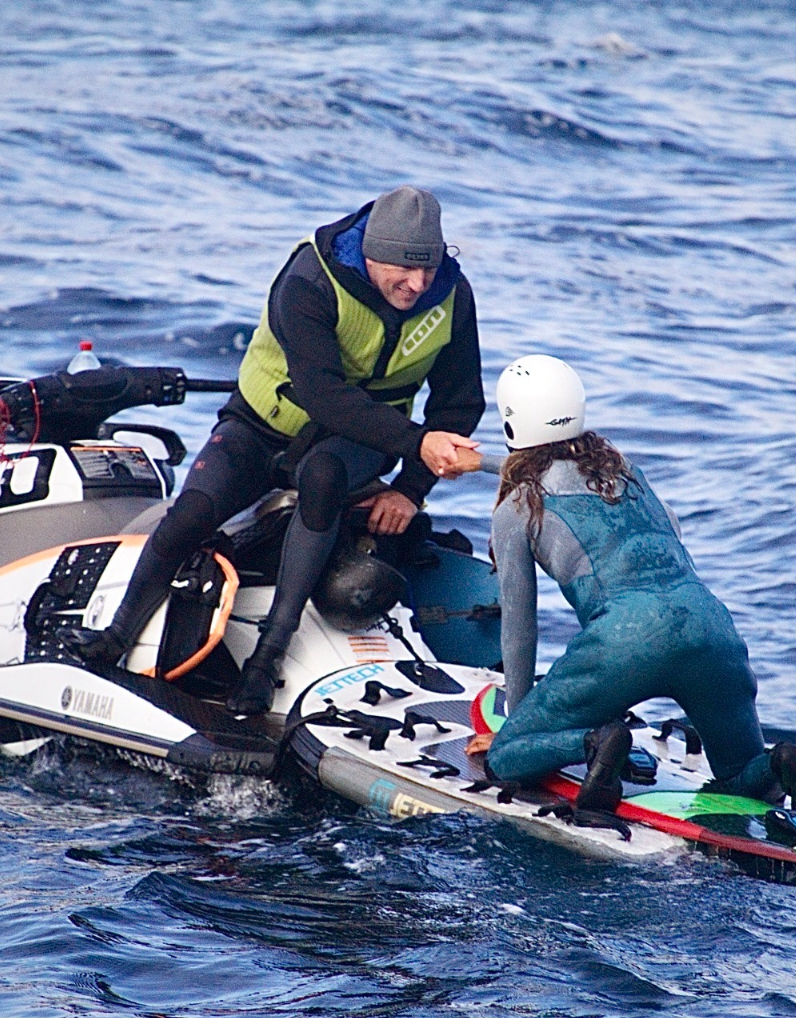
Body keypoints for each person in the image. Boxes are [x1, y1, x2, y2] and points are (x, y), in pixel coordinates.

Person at [63, 186, 484, 715]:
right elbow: (323, 394)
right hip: (264, 425)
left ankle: (267, 659)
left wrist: (409, 490)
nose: (418, 284)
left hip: (354, 441)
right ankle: (115, 633)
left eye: (429, 269)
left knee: (324, 477)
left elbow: (460, 404)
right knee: (192, 511)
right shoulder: (311, 279)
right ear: (372, 252)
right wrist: (417, 443)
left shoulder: (450, 297)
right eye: (403, 268)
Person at [476, 354, 796, 833]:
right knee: (739, 775)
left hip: (627, 639)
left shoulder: (518, 506)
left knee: (506, 759)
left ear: (510, 423)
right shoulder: (626, 472)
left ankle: (597, 742)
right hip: (711, 627)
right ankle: (783, 763)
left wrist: (520, 726)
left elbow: (519, 625)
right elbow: (669, 522)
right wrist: (480, 463)